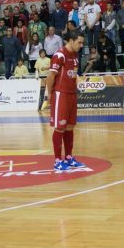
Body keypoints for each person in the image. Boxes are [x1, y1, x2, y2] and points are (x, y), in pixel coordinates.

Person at [45, 31, 87, 171]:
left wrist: (79, 80)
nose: (81, 45)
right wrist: (49, 95)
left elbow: (74, 73)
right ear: (70, 40)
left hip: (71, 94)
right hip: (60, 94)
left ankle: (68, 158)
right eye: (79, 42)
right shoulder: (60, 55)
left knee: (70, 127)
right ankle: (57, 161)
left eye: (82, 43)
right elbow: (51, 76)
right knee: (60, 127)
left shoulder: (75, 55)